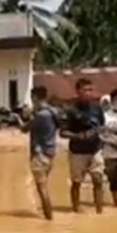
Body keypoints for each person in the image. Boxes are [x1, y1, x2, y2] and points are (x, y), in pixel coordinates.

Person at [60, 78, 105, 214]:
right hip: (77, 152)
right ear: (78, 91)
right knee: (77, 182)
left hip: (95, 150)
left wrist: (98, 132)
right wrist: (79, 136)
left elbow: (102, 126)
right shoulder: (71, 111)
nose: (89, 93)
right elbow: (62, 132)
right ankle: (76, 208)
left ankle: (99, 210)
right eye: (85, 90)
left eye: (91, 90)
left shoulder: (97, 109)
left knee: (98, 180)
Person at [18, 87, 60, 220]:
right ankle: (48, 215)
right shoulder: (53, 112)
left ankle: (49, 217)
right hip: (51, 152)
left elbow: (25, 129)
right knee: (44, 184)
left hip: (39, 154)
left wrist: (18, 119)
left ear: (35, 97)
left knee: (42, 188)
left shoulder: (41, 115)